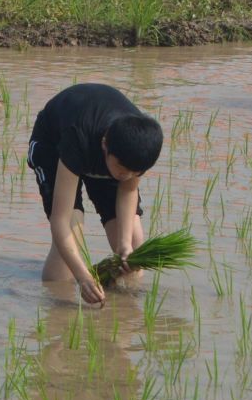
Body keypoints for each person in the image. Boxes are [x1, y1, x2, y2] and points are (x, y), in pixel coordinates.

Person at [29, 84, 163, 305]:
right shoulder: (78, 137)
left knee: (134, 247)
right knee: (73, 234)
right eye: (123, 169)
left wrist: (123, 245)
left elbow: (128, 188)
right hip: (53, 145)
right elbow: (60, 222)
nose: (127, 176)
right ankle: (57, 310)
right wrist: (83, 277)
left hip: (107, 154)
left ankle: (126, 310)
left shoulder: (138, 147)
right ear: (104, 146)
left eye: (135, 172)